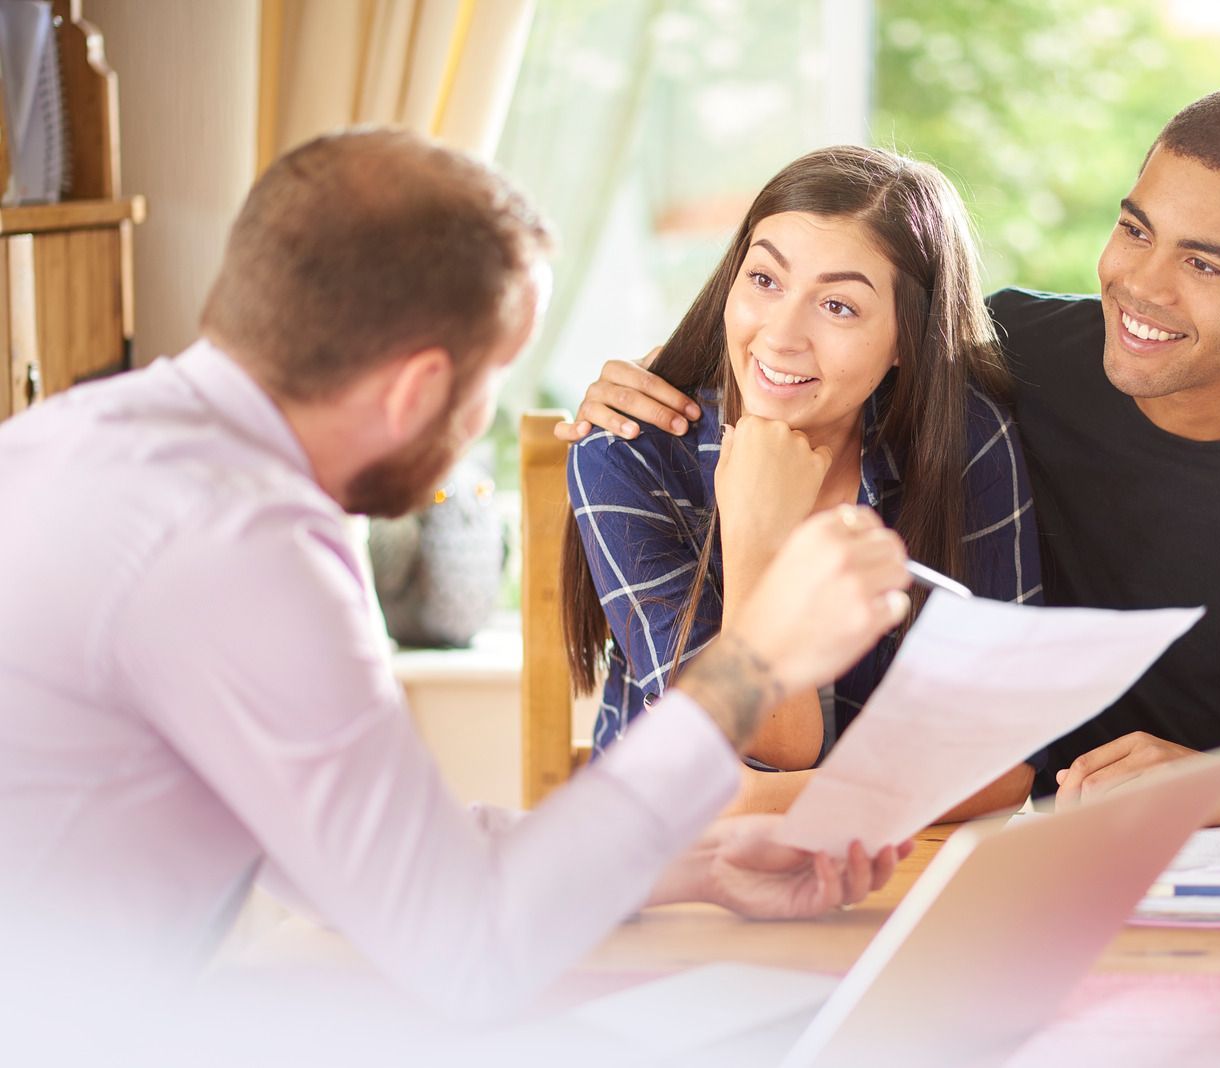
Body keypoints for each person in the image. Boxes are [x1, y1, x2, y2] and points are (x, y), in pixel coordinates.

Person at [0, 128, 913, 1022]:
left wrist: (702, 864)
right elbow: (467, 949)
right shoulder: (243, 544)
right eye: (491, 382)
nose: (480, 424)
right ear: (415, 388)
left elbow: (374, 866)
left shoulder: (79, 440)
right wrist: (748, 665)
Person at [554, 86, 1220, 848]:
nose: (1142, 287)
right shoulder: (1008, 365)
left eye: (1203, 265)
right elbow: (802, 339)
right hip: (988, 855)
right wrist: (633, 407)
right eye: (1135, 230)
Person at [561, 146, 1043, 816]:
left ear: (908, 335)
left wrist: (769, 799)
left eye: (839, 306)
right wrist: (761, 534)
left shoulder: (962, 442)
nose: (781, 335)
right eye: (764, 280)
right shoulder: (630, 453)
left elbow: (1006, 763)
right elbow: (766, 746)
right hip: (668, 873)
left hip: (889, 865)